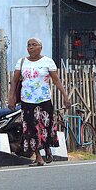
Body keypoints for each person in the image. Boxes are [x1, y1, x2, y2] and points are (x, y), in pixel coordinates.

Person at [8, 38, 71, 167]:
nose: (30, 47)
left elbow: (56, 81)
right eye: (29, 45)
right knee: (31, 129)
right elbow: (14, 81)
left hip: (44, 100)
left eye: (34, 45)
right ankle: (38, 156)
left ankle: (46, 148)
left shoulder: (47, 62)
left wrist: (65, 96)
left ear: (40, 47)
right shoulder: (21, 62)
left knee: (46, 127)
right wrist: (11, 97)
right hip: (27, 101)